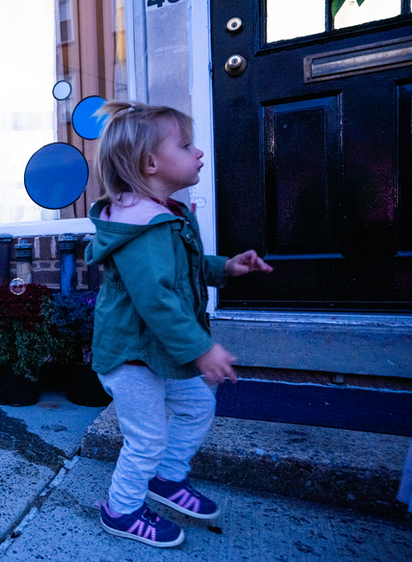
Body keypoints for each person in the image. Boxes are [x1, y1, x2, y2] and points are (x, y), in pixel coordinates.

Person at [84, 101, 273, 548]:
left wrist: (224, 267)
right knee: (146, 436)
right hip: (131, 354)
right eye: (186, 145)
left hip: (160, 349)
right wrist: (202, 349)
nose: (199, 153)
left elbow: (181, 268)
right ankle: (121, 509)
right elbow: (158, 300)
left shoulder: (166, 214)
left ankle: (166, 479)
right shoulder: (142, 227)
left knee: (197, 407)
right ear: (151, 164)